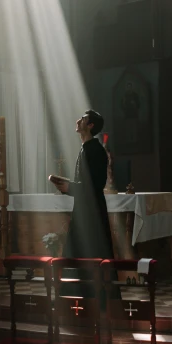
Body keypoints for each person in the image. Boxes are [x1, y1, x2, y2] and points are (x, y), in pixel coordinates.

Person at [49, 110, 116, 299]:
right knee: (77, 251)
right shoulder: (85, 148)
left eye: (83, 119)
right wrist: (68, 186)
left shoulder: (96, 150)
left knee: (92, 251)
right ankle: (74, 295)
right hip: (83, 209)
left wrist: (69, 187)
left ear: (91, 125)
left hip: (92, 212)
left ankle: (97, 297)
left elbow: (95, 185)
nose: (78, 120)